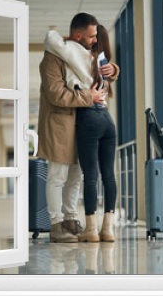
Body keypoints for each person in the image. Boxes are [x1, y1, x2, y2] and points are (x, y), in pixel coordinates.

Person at [37, 13, 119, 243]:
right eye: (92, 36)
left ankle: (71, 219)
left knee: (76, 176)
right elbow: (56, 94)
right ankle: (56, 224)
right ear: (78, 35)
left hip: (82, 123)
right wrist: (89, 97)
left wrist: (114, 69)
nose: (95, 40)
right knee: (57, 175)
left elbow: (97, 71)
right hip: (60, 124)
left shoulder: (84, 54)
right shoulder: (52, 58)